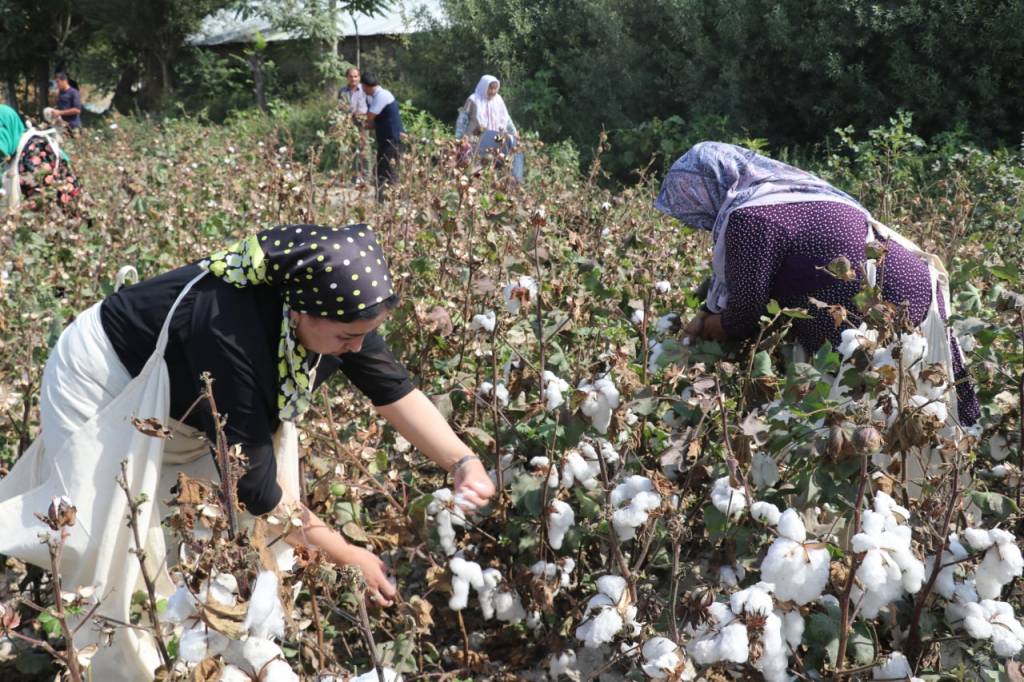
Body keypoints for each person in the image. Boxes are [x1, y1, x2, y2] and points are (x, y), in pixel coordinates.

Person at [0, 224, 497, 678]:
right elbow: (256, 489)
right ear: (299, 312)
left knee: (184, 531)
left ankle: (188, 642)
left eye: (367, 334)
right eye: (348, 337)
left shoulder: (335, 312)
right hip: (103, 378)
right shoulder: (230, 334)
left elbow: (391, 388)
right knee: (100, 539)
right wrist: (348, 555)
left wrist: (462, 462)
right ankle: (113, 661)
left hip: (184, 397)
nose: (357, 348)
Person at [655, 141, 979, 426]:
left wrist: (711, 327)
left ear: (710, 188)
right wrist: (705, 311)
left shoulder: (750, 217)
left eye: (693, 199)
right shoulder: (785, 191)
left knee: (891, 422)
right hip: (910, 292)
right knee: (925, 411)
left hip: (885, 310)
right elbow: (742, 278)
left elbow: (745, 312)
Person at [0, 104, 81, 211]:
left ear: (8, 127)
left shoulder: (35, 150)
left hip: (66, 215)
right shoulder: (15, 152)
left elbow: (43, 199)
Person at [456, 75, 523, 181]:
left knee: (513, 143)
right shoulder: (473, 100)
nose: (492, 91)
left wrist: (514, 134)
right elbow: (463, 119)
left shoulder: (498, 100)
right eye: (490, 88)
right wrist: (459, 138)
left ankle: (516, 179)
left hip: (495, 136)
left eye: (495, 88)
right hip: (477, 137)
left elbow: (507, 119)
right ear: (484, 87)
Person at [360, 71, 403, 199]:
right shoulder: (378, 96)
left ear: (365, 86)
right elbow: (375, 123)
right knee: (384, 171)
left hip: (392, 141)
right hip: (386, 141)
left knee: (386, 171)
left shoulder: (381, 96)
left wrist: (357, 121)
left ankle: (390, 201)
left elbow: (369, 118)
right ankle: (387, 200)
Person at [338, 66, 369, 180]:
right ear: (347, 78)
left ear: (359, 77)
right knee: (351, 150)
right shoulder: (342, 91)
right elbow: (340, 107)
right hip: (348, 123)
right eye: (351, 76)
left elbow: (370, 106)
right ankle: (354, 177)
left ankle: (366, 176)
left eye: (356, 76)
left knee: (364, 149)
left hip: (362, 123)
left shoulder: (365, 89)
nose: (353, 79)